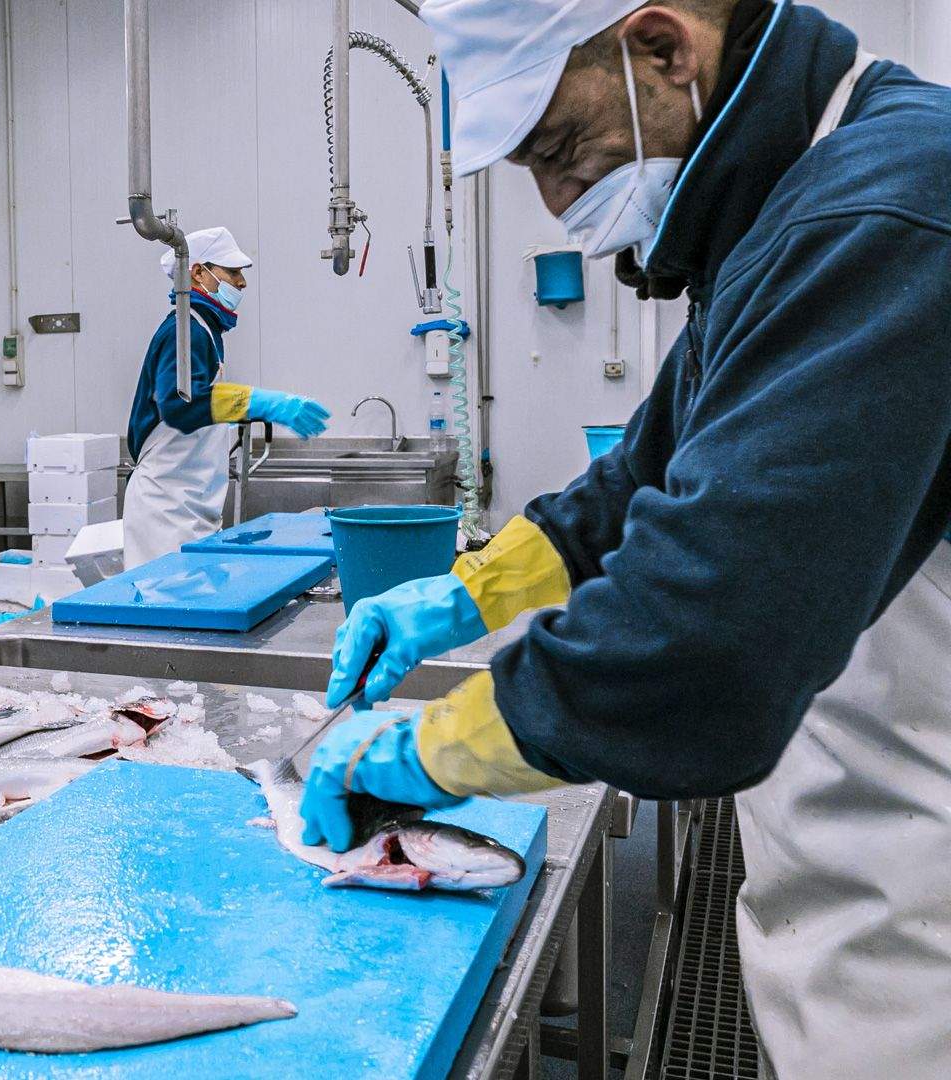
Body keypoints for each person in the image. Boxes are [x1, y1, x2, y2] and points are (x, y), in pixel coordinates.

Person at [296, 2, 951, 1075]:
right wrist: (461, 595)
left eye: (557, 149)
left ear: (663, 46)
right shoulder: (788, 211)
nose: (558, 204)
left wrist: (428, 754)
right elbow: (640, 475)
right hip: (865, 876)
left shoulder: (886, 210)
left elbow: (707, 648)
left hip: (926, 924)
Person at [121, 227, 330, 567]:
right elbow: (179, 406)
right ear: (198, 272)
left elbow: (201, 405)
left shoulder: (204, 329)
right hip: (165, 510)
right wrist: (261, 403)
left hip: (190, 503)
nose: (242, 282)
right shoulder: (183, 330)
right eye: (232, 272)